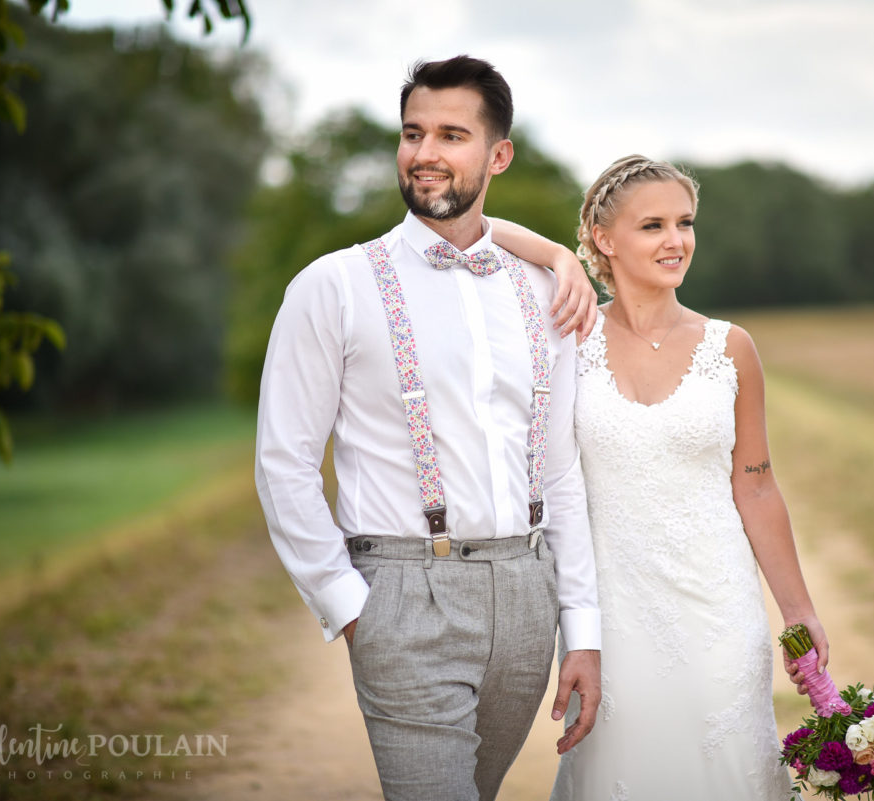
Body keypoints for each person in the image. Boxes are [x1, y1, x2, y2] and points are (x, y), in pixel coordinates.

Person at [253, 56, 603, 801]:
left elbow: (560, 471)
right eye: (413, 133)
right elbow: (284, 463)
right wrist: (352, 610)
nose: (425, 153)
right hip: (402, 596)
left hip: (525, 594)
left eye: (451, 134)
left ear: (497, 155)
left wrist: (583, 628)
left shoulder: (548, 289)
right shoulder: (332, 286)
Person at [493, 155, 829, 800]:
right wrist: (560, 260)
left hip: (719, 608)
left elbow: (755, 486)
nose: (676, 241)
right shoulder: (567, 338)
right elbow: (483, 228)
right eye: (652, 225)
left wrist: (798, 612)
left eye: (685, 223)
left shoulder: (730, 348)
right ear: (604, 238)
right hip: (613, 614)